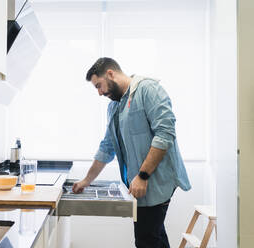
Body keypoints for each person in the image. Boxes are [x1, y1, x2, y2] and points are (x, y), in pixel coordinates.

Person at [72, 57, 191, 248]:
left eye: (99, 86)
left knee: (146, 240)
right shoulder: (114, 106)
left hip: (154, 181)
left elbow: (165, 134)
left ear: (110, 73)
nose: (99, 93)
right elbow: (107, 146)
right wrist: (87, 180)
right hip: (138, 184)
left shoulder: (147, 90)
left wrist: (143, 176)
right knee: (154, 237)